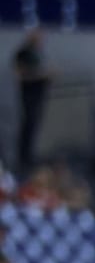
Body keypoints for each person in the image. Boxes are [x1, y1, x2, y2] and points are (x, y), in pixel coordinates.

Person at [12, 30, 49, 174]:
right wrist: (42, 75)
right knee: (26, 126)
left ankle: (29, 155)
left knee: (33, 126)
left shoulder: (38, 53)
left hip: (37, 96)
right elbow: (20, 74)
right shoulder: (23, 53)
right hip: (27, 95)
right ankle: (23, 158)